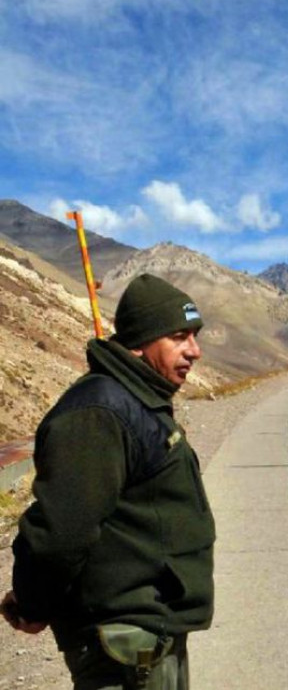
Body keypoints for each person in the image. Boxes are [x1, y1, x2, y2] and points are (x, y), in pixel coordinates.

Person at [3, 273, 215, 690]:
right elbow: (60, 532)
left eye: (194, 335)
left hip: (148, 635)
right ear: (140, 341)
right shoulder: (99, 413)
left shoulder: (138, 401)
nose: (196, 351)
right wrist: (32, 605)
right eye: (179, 337)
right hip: (122, 645)